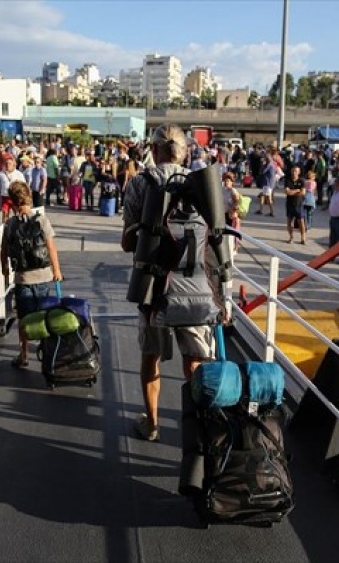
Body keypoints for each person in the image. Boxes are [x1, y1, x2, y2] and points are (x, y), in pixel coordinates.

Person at [121, 124, 220, 442]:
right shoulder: (202, 184)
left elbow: (128, 243)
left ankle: (151, 424)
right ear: (185, 151)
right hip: (197, 287)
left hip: (154, 288)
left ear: (154, 149)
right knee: (196, 362)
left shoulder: (140, 182)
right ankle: (200, 428)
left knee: (151, 356)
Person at [0, 181, 62, 368]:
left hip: (23, 278)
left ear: (12, 201)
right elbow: (51, 248)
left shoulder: (10, 224)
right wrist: (56, 270)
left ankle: (24, 354)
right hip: (43, 276)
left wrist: (4, 267)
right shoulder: (41, 220)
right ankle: (47, 351)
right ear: (28, 197)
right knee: (44, 315)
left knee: (24, 318)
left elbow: (4, 250)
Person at [284, 164, 306, 244]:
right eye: (293, 171)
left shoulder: (302, 181)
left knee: (301, 222)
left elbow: (303, 193)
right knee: (289, 222)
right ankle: (291, 237)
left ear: (299, 172)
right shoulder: (288, 180)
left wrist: (292, 191)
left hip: (299, 204)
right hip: (289, 204)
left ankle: (303, 237)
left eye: (296, 171)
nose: (294, 173)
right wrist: (297, 190)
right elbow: (287, 192)